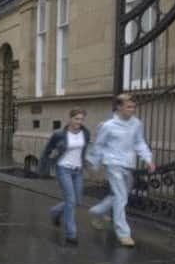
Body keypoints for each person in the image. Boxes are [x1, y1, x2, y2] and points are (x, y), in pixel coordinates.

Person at [87, 94, 156, 247]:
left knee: (118, 196)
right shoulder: (108, 126)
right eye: (128, 107)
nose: (132, 110)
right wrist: (95, 164)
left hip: (128, 164)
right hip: (113, 163)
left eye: (133, 107)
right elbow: (99, 145)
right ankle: (123, 233)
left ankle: (96, 211)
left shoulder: (137, 123)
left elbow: (139, 143)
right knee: (121, 197)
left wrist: (148, 159)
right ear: (119, 107)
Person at [40, 107, 90, 245]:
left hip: (78, 170)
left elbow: (84, 150)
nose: (78, 122)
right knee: (70, 200)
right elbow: (47, 150)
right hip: (63, 169)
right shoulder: (59, 134)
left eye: (81, 119)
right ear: (70, 118)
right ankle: (71, 235)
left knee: (77, 201)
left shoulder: (85, 133)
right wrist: (43, 167)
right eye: (76, 119)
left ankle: (55, 212)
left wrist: (86, 163)